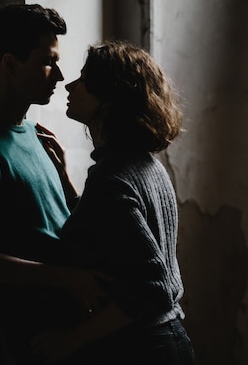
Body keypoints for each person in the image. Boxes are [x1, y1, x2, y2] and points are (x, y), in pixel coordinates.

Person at [0, 4, 107, 365]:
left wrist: (64, 178)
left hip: (82, 326)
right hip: (45, 338)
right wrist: (66, 279)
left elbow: (61, 222)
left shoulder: (35, 134)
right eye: (48, 62)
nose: (59, 76)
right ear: (10, 65)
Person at [33, 40, 196, 365]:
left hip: (142, 349)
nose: (70, 84)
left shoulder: (112, 178)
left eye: (84, 79)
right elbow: (113, 235)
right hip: (168, 340)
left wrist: (68, 342)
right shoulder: (145, 165)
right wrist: (66, 181)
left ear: (108, 99)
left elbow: (152, 287)